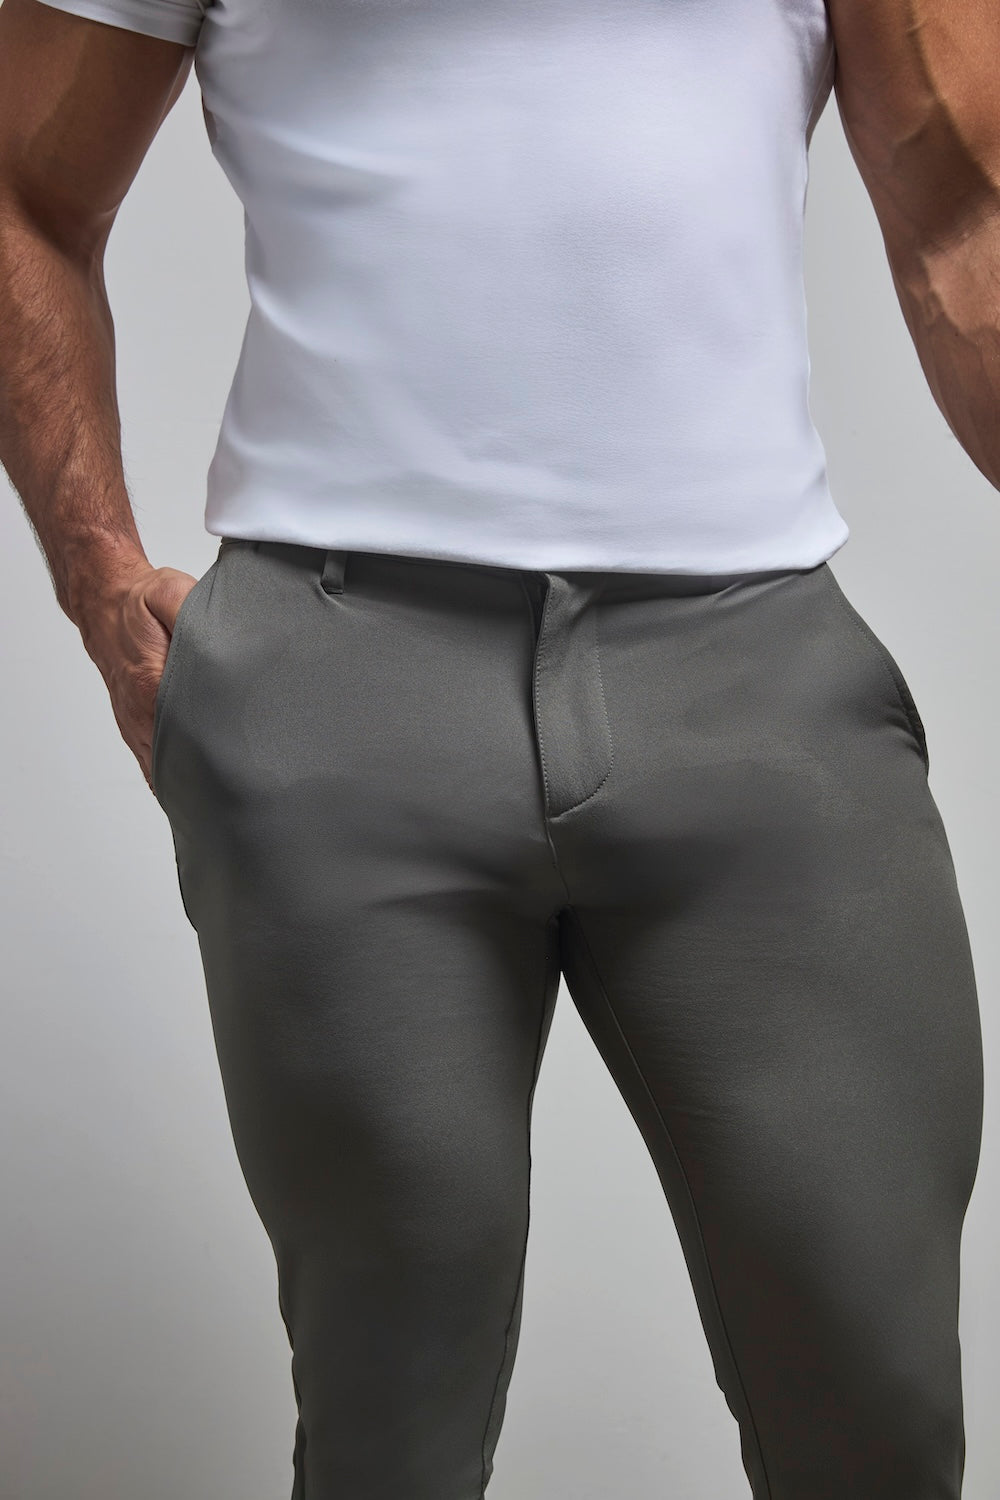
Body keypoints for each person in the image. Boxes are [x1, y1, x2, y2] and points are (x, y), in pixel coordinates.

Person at [0, 0, 991, 1493]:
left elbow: (968, 220)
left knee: (880, 1410)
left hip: (760, 683)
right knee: (389, 1428)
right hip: (341, 679)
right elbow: (22, 188)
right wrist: (102, 588)